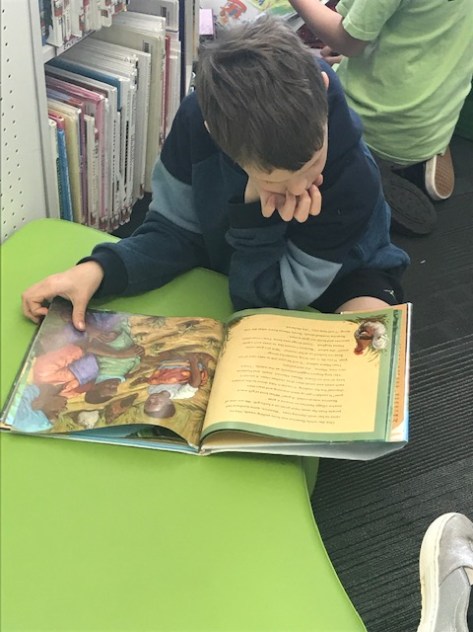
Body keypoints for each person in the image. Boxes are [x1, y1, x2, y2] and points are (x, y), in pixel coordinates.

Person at [21, 16, 409, 331]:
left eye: (310, 165)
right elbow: (174, 233)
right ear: (215, 136)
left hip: (345, 271)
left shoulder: (351, 178)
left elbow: (264, 301)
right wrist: (99, 270)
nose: (300, 187)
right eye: (275, 179)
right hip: (231, 260)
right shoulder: (197, 122)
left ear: (322, 90)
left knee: (370, 338)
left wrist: (258, 214)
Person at [287, 0, 473, 235]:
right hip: (435, 117)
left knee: (270, 87)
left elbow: (346, 41)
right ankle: (408, 160)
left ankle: (357, 177)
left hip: (376, 125)